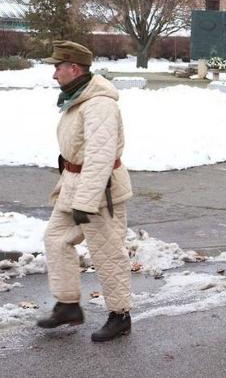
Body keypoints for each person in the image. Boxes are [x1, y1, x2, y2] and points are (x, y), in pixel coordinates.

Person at [36, 41, 133, 342]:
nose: (54, 74)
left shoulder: (99, 104)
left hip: (99, 191)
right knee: (56, 238)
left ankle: (120, 316)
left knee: (107, 253)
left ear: (74, 69)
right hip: (75, 186)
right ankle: (67, 305)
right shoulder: (78, 98)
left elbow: (100, 157)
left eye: (57, 67)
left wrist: (87, 201)